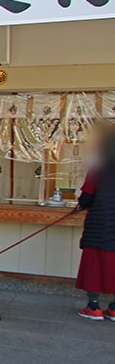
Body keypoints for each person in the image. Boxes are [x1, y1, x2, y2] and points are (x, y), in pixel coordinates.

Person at [76, 124, 115, 321]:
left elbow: (85, 200)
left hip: (99, 227)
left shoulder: (97, 172)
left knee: (94, 267)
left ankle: (94, 307)